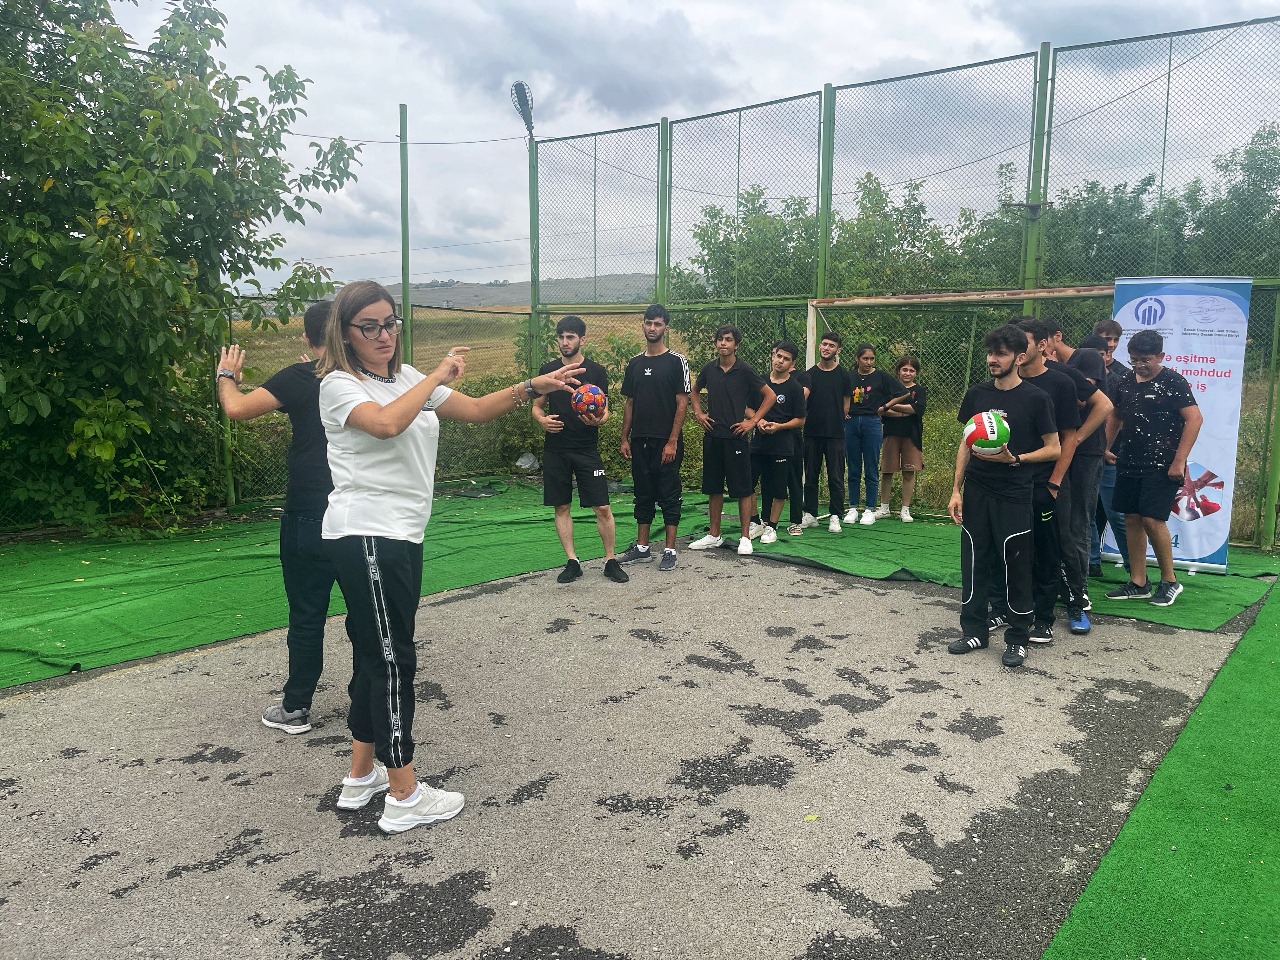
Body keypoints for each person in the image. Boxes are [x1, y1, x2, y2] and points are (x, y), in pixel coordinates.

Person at [316, 280, 582, 834]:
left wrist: (532, 385)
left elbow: (479, 409)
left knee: (373, 654)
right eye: (370, 326)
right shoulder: (339, 385)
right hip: (367, 534)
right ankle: (404, 795)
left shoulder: (405, 378)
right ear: (345, 332)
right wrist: (435, 376)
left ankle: (361, 776)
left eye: (390, 323)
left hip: (398, 536)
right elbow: (386, 425)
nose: (384, 335)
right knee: (393, 659)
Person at [217, 301, 337, 735]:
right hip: (357, 514)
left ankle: (296, 707)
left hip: (307, 514)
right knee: (365, 615)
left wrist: (225, 375)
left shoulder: (298, 378)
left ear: (307, 338)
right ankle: (373, 702)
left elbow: (236, 408)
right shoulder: (364, 379)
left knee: (306, 613)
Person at [948, 324, 1059, 669]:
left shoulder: (1036, 398)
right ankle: (974, 630)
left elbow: (1054, 448)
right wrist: (956, 490)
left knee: (1016, 563)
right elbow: (965, 444)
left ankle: (1018, 638)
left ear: (1019, 357)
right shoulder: (977, 395)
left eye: (1001, 354)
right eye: (990, 353)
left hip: (1015, 492)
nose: (992, 359)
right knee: (974, 560)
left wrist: (1016, 459)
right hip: (977, 490)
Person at [1104, 329, 1203, 607]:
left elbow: (1194, 419)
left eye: (1145, 360)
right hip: (1129, 459)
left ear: (1160, 356)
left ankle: (1170, 581)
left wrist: (1179, 460)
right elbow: (1116, 415)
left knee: (1152, 519)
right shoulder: (1125, 380)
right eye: (1134, 359)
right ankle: (1138, 582)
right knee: (1131, 517)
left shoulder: (1173, 381)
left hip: (1163, 463)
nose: (1139, 365)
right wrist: (1106, 446)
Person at [533, 316, 628, 585]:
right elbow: (537, 406)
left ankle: (610, 560)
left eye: (570, 337)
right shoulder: (548, 370)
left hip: (586, 449)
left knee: (603, 507)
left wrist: (599, 420)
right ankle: (572, 561)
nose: (565, 342)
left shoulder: (596, 371)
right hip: (556, 449)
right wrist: (541, 420)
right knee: (562, 506)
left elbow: (606, 410)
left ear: (582, 339)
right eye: (561, 337)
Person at [689, 325, 775, 556]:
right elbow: (694, 391)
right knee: (713, 487)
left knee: (743, 489)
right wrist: (698, 413)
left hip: (736, 438)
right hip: (713, 436)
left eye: (728, 339)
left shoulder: (745, 369)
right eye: (720, 339)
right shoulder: (709, 368)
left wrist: (753, 421)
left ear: (736, 344)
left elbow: (770, 396)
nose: (723, 343)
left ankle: (745, 537)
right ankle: (714, 535)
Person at [617, 304, 690, 573]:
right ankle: (642, 548)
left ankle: (670, 550)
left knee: (669, 494)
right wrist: (625, 437)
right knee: (643, 493)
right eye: (648, 323)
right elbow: (630, 403)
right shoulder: (635, 363)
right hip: (639, 441)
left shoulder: (677, 361)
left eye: (657, 324)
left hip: (665, 441)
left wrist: (672, 441)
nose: (652, 328)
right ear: (643, 325)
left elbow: (682, 403)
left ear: (665, 328)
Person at [1082, 331, 1132, 576]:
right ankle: (1091, 562)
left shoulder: (1118, 380)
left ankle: (1135, 570)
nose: (1099, 359)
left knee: (1117, 515)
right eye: (1094, 355)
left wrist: (1107, 448)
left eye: (1103, 354)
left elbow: (1117, 417)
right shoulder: (1077, 379)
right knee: (1086, 513)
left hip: (1110, 456)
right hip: (1085, 454)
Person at [751, 341, 808, 542]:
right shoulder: (760, 381)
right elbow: (747, 408)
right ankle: (755, 522)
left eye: (786, 359)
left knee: (779, 488)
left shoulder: (795, 387)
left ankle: (772, 527)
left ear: (792, 364)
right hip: (758, 442)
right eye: (778, 356)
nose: (780, 361)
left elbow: (800, 419)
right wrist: (758, 421)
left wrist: (779, 426)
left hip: (782, 444)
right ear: (773, 356)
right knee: (748, 483)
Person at [844, 344, 906, 526]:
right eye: (865, 358)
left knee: (871, 466)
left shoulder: (881, 376)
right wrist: (844, 411)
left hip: (872, 422)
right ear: (857, 358)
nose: (869, 362)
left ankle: (870, 508)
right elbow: (841, 395)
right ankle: (853, 507)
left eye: (872, 359)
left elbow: (902, 393)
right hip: (851, 422)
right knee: (853, 467)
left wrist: (885, 407)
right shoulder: (849, 377)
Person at [800, 331, 851, 533]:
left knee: (836, 477)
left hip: (835, 435)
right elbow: (803, 403)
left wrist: (835, 421)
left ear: (838, 350)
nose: (827, 348)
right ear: (819, 346)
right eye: (824, 344)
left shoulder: (844, 375)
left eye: (831, 345)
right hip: (811, 433)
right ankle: (810, 514)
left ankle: (835, 515)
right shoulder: (809, 375)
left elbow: (846, 405)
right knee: (810, 475)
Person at [876, 355, 927, 523]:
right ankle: (884, 508)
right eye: (905, 369)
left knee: (909, 472)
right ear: (898, 371)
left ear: (916, 373)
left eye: (911, 370)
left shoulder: (919, 390)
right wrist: (899, 410)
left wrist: (891, 405)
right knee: (887, 471)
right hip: (890, 433)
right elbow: (881, 410)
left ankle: (905, 510)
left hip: (912, 435)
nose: (907, 373)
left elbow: (917, 409)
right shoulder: (890, 388)